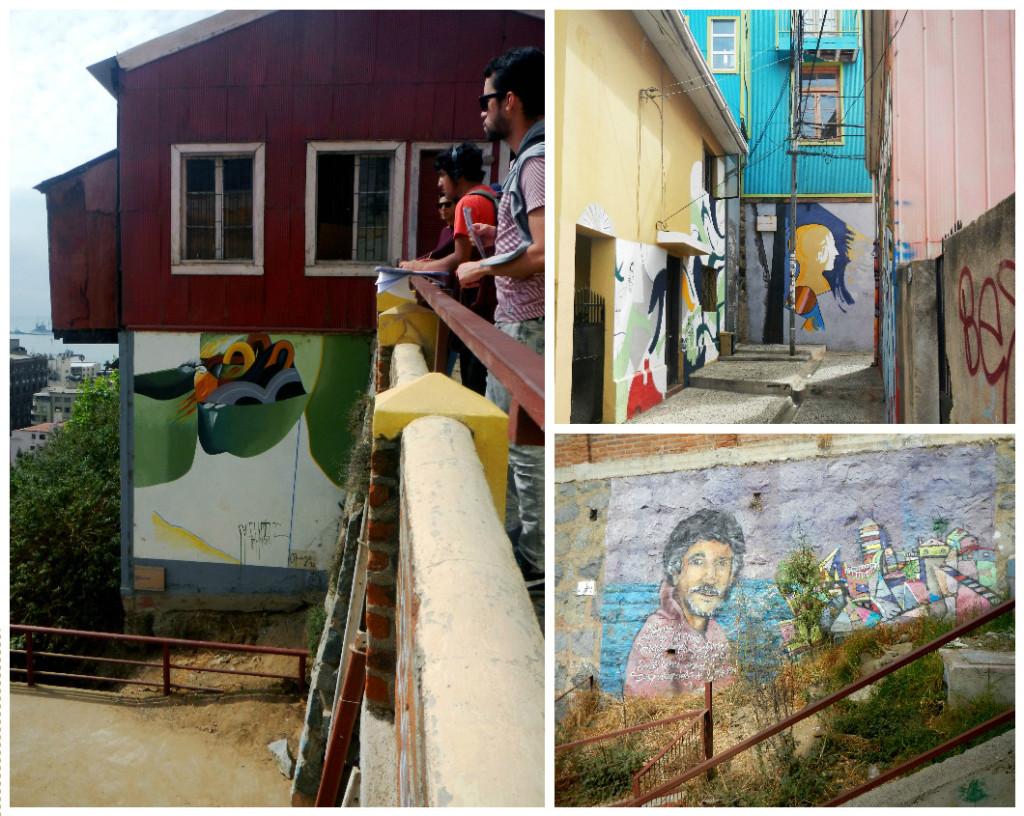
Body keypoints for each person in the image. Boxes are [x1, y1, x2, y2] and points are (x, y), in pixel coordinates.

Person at [456, 46, 545, 624]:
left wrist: (482, 265)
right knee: (507, 449)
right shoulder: (528, 163)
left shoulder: (535, 161)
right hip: (519, 326)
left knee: (523, 453)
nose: (482, 111)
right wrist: (497, 232)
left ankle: (533, 573)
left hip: (527, 329)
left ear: (509, 101)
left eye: (486, 99)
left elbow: (542, 251)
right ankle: (521, 559)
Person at [400, 143, 498, 394]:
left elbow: (459, 257)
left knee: (472, 380)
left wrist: (416, 266)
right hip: (493, 303)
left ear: (457, 173)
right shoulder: (489, 196)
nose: (439, 184)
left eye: (442, 175)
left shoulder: (467, 203)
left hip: (476, 305)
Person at [624, 509, 745, 696]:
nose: (711, 578)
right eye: (698, 561)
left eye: (721, 563)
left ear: (731, 577)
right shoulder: (660, 634)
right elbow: (656, 709)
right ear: (676, 571)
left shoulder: (713, 632)